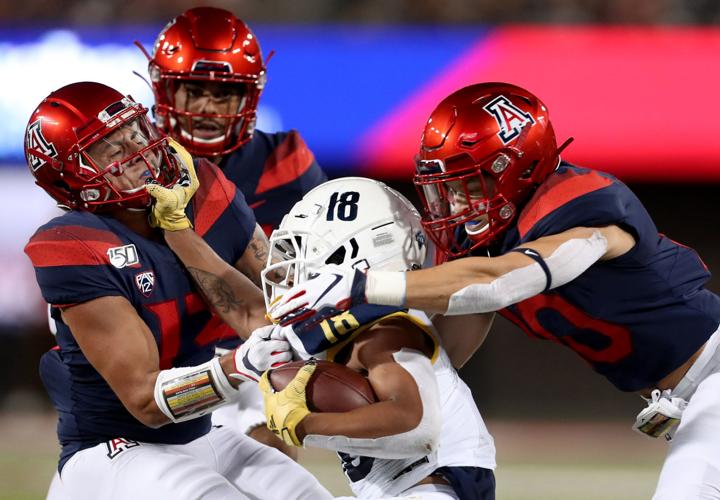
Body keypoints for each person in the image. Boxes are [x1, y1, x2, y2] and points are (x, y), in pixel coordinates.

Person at [270, 82, 720, 499]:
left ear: (515, 167)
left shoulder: (586, 206)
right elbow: (447, 355)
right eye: (445, 189)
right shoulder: (483, 248)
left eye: (467, 185)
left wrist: (363, 284)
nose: (455, 206)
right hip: (684, 400)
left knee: (689, 486)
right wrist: (354, 356)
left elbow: (496, 283)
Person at [23, 81, 332, 500]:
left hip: (203, 433)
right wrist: (240, 365)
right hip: (114, 451)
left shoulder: (204, 187)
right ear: (73, 178)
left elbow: (261, 317)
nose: (140, 153)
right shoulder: (73, 243)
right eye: (112, 151)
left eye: (135, 134)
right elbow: (145, 402)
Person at [150, 175, 496, 499]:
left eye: (302, 252)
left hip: (432, 488)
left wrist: (303, 423)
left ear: (353, 254)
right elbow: (244, 309)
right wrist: (178, 231)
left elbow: (417, 428)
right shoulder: (346, 323)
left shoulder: (385, 328)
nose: (289, 268)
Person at [140, 6, 329, 446]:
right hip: (157, 357)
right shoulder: (131, 164)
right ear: (165, 88)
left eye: (223, 93)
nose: (208, 107)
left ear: (249, 97)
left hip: (250, 350)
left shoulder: (285, 163)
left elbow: (315, 274)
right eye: (193, 90)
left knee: (273, 436)